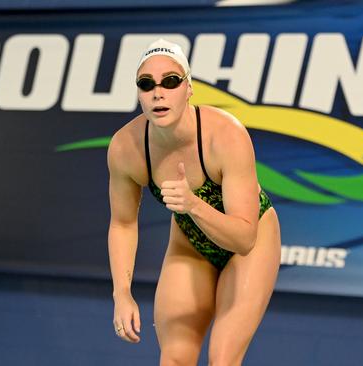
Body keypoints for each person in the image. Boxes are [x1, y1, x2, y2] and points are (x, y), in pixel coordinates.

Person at [107, 39, 281, 365]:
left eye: (170, 81)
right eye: (147, 84)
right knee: (174, 359)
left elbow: (244, 238)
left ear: (189, 88)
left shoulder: (225, 135)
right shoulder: (125, 148)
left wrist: (193, 205)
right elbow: (123, 223)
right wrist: (122, 294)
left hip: (250, 242)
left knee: (223, 359)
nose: (158, 92)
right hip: (190, 245)